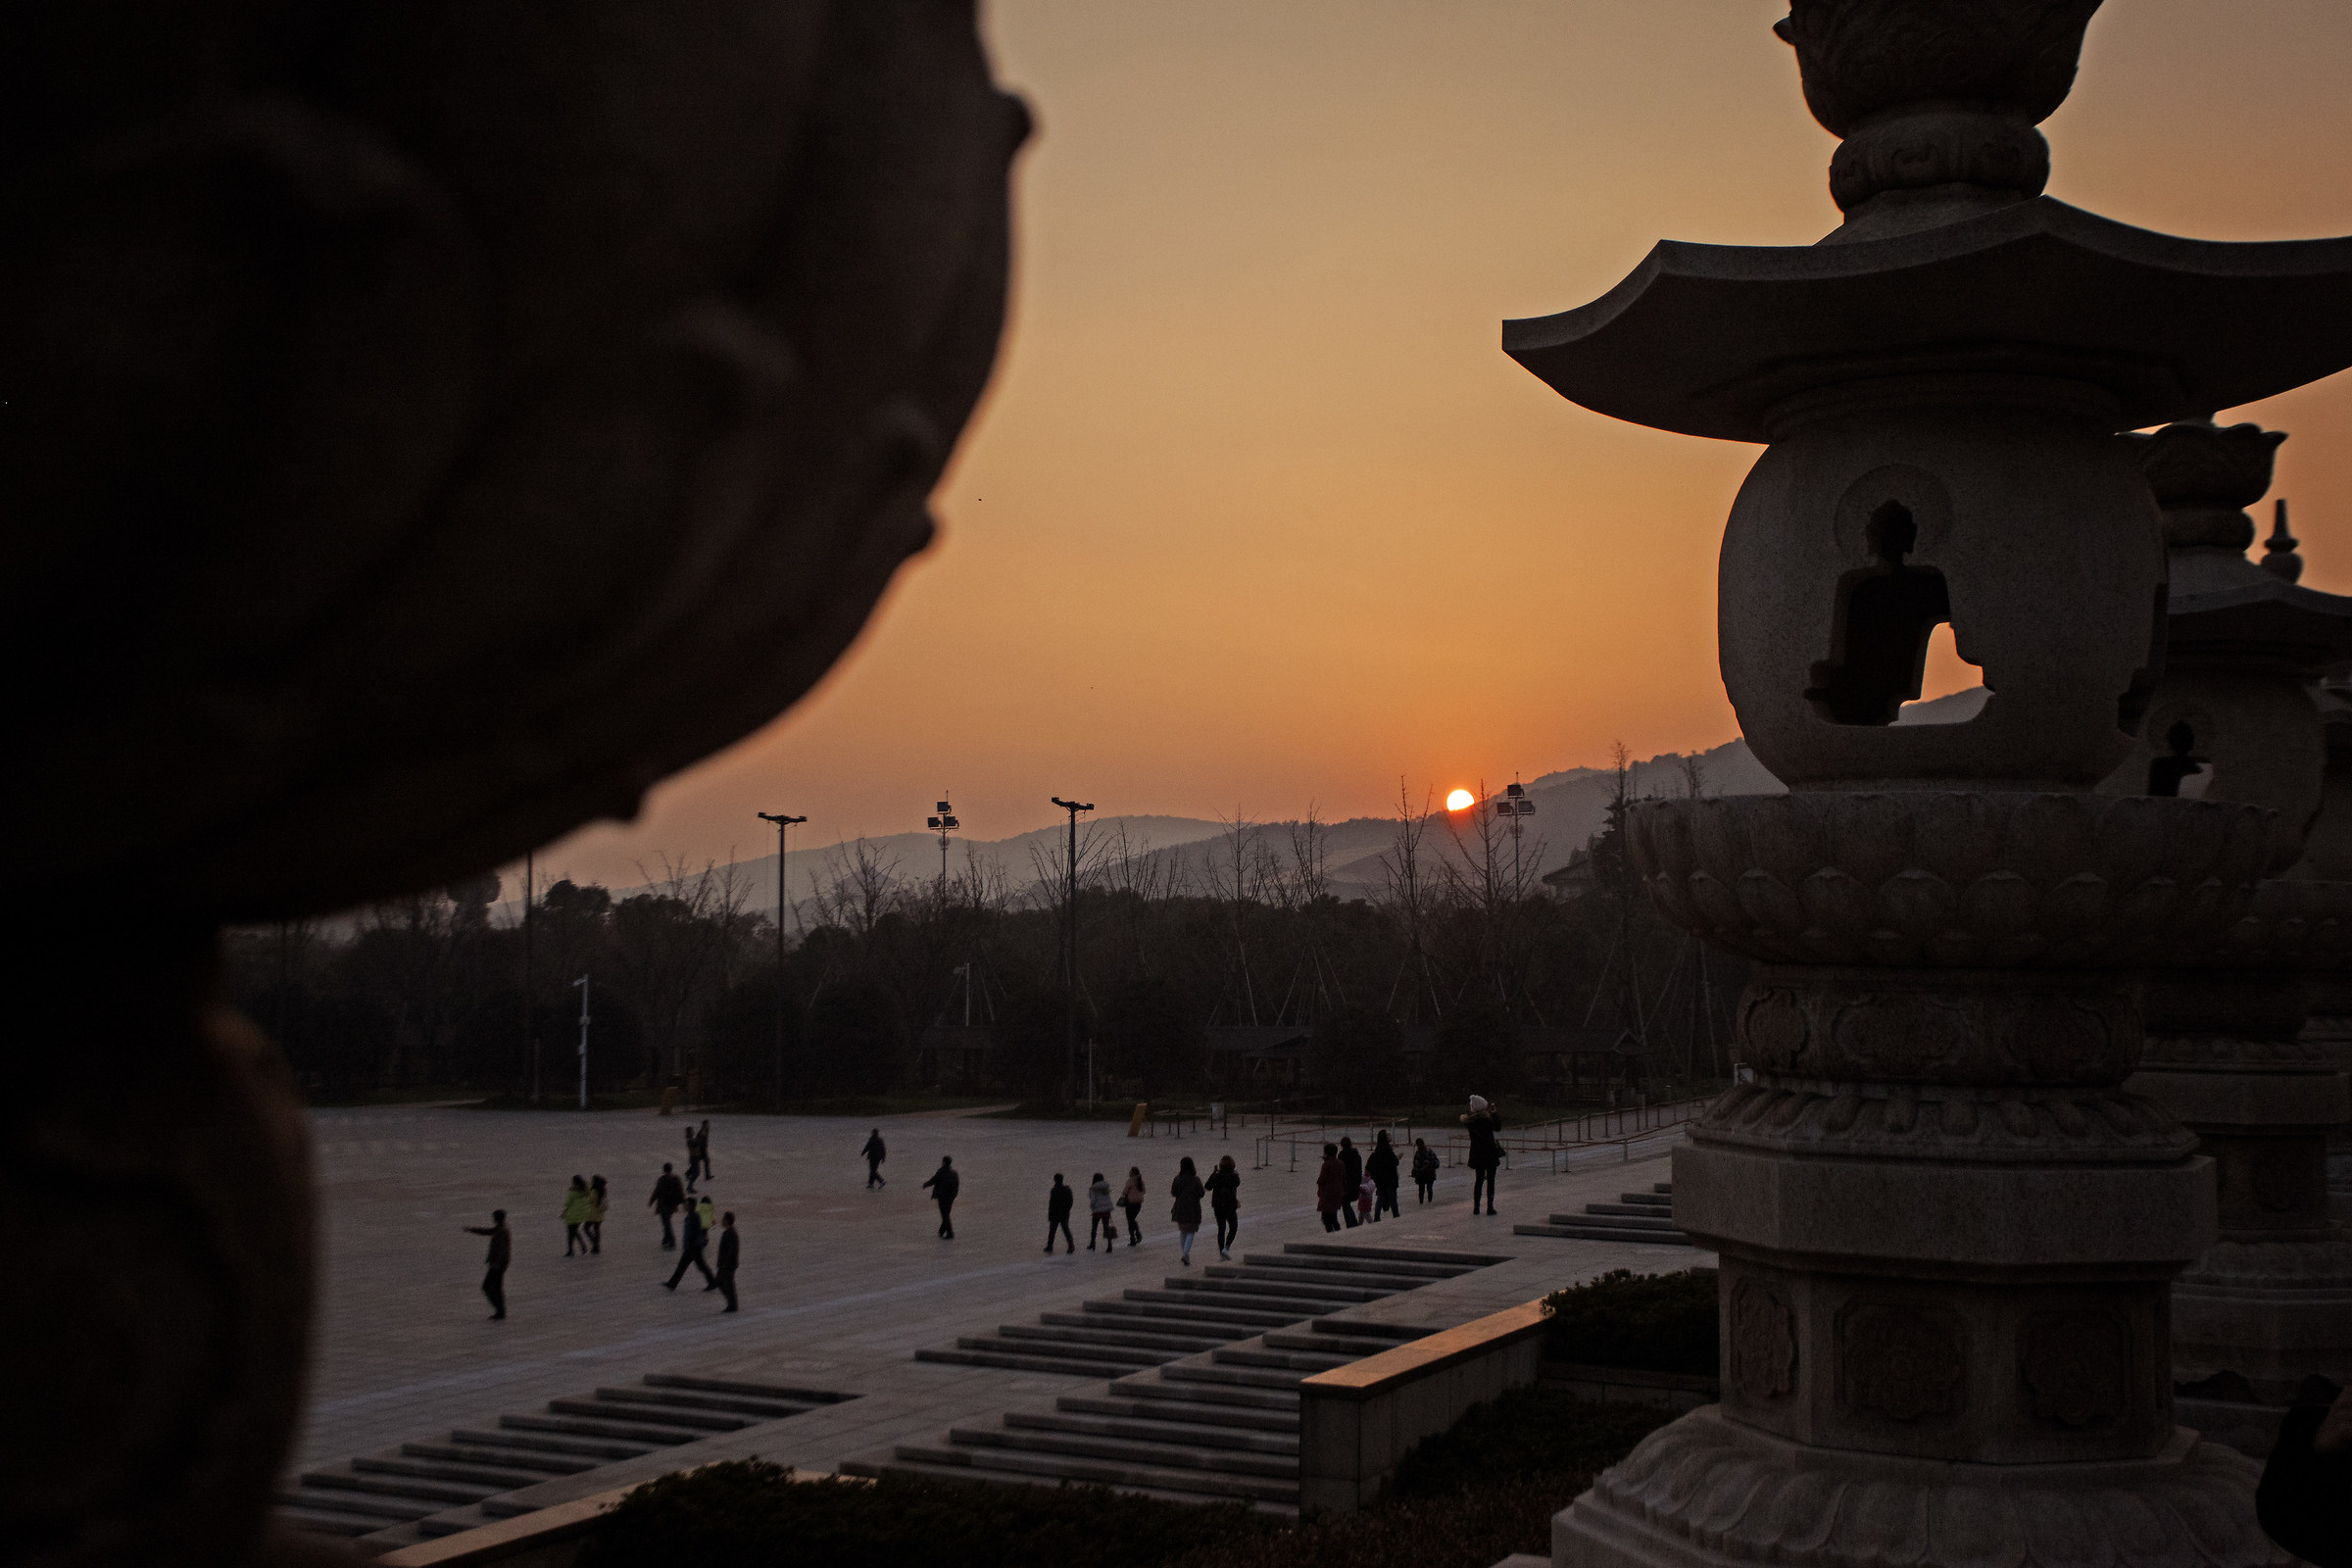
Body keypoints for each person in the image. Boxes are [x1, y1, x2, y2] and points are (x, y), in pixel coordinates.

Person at [464, 1210, 511, 1320]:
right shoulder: (500, 1228)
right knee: (497, 1288)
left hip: (497, 1265)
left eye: (494, 1217)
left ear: (497, 1218)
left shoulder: (502, 1231)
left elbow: (503, 1250)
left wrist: (497, 1263)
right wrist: (471, 1229)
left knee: (487, 1286)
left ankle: (499, 1310)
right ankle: (500, 1311)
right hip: (499, 1264)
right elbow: (487, 1231)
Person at [1463, 1095, 1504, 1215]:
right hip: (1489, 1152)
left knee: (1479, 1180)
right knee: (1490, 1181)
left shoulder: (1470, 1122)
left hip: (1477, 1153)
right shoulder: (1487, 1120)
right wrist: (1494, 1114)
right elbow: (1498, 1128)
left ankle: (1476, 1207)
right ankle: (1490, 1207)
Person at [664, 1197, 715, 1291]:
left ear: (691, 1206)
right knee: (688, 1266)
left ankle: (672, 1284)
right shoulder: (691, 1216)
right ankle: (672, 1283)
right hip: (692, 1247)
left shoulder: (694, 1217)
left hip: (693, 1247)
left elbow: (695, 1232)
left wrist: (691, 1243)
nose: (684, 1206)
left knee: (694, 1266)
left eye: (686, 1204)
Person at [1169, 1155, 1204, 1265]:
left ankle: (1185, 1253)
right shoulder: (1195, 1179)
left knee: (1183, 1230)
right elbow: (1202, 1193)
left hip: (1180, 1207)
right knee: (1191, 1231)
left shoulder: (1177, 1179)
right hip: (1193, 1208)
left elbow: (1174, 1192)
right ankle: (1185, 1254)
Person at [1205, 1154, 1241, 1260]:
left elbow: (1207, 1186)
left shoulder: (1217, 1175)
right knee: (1233, 1227)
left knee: (1221, 1228)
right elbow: (1237, 1183)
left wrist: (1214, 1173)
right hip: (1230, 1205)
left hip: (1218, 1206)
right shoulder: (1234, 1175)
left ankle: (1222, 1252)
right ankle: (1226, 1248)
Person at [649, 1162, 686, 1249]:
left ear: (664, 1170)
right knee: (667, 1222)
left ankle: (672, 1241)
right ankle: (666, 1239)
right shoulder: (676, 1178)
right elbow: (681, 1191)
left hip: (663, 1204)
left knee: (666, 1224)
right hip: (672, 1204)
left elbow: (657, 1191)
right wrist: (684, 1202)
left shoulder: (662, 1179)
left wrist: (651, 1200)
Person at [1367, 1131, 1399, 1222]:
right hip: (1390, 1179)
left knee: (1380, 1198)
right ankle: (1395, 1215)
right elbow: (1395, 1162)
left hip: (1380, 1180)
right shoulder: (1388, 1152)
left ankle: (1377, 1216)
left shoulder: (1377, 1152)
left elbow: (1370, 1166)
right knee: (1393, 1199)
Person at [924, 1155, 960, 1239]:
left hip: (942, 1197)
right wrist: (954, 1195)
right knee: (946, 1213)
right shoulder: (954, 1173)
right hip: (950, 1197)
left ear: (943, 1162)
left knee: (945, 1215)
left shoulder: (941, 1172)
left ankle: (950, 1233)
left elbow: (934, 1180)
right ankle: (942, 1230)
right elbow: (957, 1185)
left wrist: (926, 1184)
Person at [1314, 1143, 1347, 1233]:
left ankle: (1331, 1233)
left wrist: (1319, 1190)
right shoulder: (1340, 1163)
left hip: (1327, 1194)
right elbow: (1344, 1178)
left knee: (1327, 1217)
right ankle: (1337, 1232)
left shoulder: (1327, 1165)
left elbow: (1322, 1179)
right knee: (1333, 1216)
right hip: (1338, 1192)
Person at [713, 1212, 741, 1313]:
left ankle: (732, 1304)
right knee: (723, 1282)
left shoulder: (731, 1234)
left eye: (723, 1219)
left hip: (727, 1265)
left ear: (727, 1221)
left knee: (725, 1283)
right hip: (726, 1264)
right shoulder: (729, 1232)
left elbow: (732, 1251)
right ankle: (732, 1303)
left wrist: (725, 1263)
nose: (722, 1221)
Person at [1044, 1173, 1077, 1254]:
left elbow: (1051, 1204)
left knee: (1053, 1231)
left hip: (1055, 1214)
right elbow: (1070, 1201)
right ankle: (1071, 1245)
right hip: (1064, 1213)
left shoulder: (1054, 1190)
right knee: (1065, 1230)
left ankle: (1050, 1246)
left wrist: (1050, 1214)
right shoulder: (1067, 1189)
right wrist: (1067, 1210)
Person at [561, 1174, 591, 1256]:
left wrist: (564, 1212)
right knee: (575, 1231)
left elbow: (567, 1203)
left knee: (571, 1233)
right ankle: (583, 1247)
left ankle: (571, 1250)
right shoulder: (585, 1191)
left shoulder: (573, 1191)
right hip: (581, 1215)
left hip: (572, 1215)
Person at [1338, 1136, 1363, 1229]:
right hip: (1355, 1182)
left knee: (1345, 1204)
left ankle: (1351, 1223)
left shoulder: (1341, 1155)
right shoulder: (1356, 1154)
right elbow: (1359, 1169)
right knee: (1346, 1204)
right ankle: (1354, 1222)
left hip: (1346, 1183)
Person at [1087, 1172, 1116, 1250]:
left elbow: (1093, 1200)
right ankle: (1109, 1245)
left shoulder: (1093, 1189)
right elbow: (1108, 1198)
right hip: (1106, 1210)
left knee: (1094, 1228)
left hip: (1097, 1211)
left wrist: (1092, 1207)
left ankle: (1092, 1244)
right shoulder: (1106, 1187)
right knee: (1106, 1227)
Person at [1119, 1166, 1146, 1246]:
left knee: (1130, 1221)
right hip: (1139, 1203)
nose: (1129, 1173)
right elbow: (1144, 1191)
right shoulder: (1141, 1181)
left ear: (1133, 1173)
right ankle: (1137, 1234)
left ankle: (1133, 1238)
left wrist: (1124, 1196)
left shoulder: (1130, 1181)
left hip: (1130, 1203)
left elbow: (1124, 1192)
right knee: (1132, 1220)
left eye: (1130, 1172)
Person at [1411, 1137, 1440, 1204]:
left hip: (1421, 1174)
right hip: (1430, 1173)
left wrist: (1415, 1172)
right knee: (1429, 1188)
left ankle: (1421, 1201)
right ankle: (1429, 1200)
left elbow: (1415, 1164)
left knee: (1421, 1189)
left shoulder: (1418, 1153)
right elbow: (1435, 1161)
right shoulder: (1430, 1151)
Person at [584, 1175, 608, 1254]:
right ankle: (596, 1246)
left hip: (593, 1214)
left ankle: (595, 1244)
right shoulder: (602, 1190)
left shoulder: (594, 1191)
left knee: (586, 1228)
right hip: (600, 1214)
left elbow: (589, 1200)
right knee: (597, 1230)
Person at [683, 1124, 703, 1192]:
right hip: (694, 1157)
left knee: (693, 1169)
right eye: (692, 1131)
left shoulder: (692, 1139)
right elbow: (695, 1145)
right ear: (689, 1132)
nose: (693, 1132)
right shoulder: (690, 1140)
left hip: (695, 1157)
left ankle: (687, 1174)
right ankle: (689, 1187)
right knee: (696, 1173)